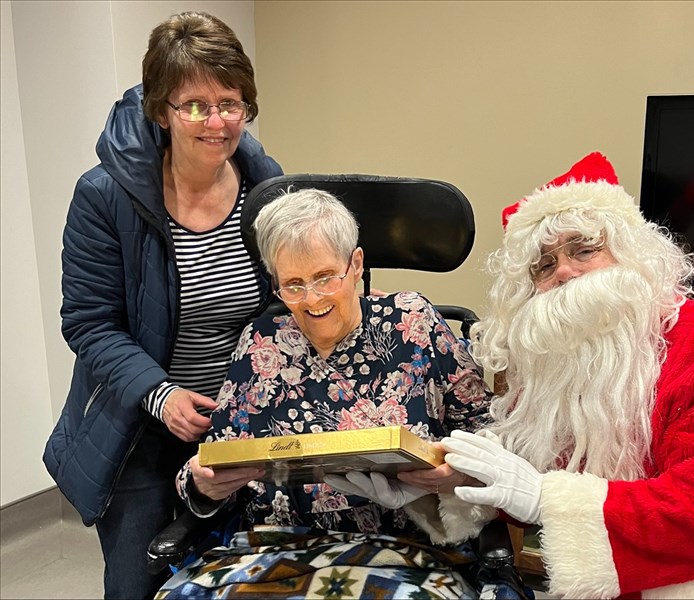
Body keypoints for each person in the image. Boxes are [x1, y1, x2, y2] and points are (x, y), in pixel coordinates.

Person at [403, 151, 694, 598]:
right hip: (638, 573)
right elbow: (539, 486)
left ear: (633, 253)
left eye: (584, 249)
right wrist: (458, 485)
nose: (565, 273)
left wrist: (540, 498)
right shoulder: (559, 362)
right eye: (544, 264)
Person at [42, 11, 283, 599]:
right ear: (161, 110)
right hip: (140, 429)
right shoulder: (103, 196)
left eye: (231, 102)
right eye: (194, 105)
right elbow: (90, 324)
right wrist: (162, 394)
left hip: (238, 422)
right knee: (139, 583)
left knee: (245, 580)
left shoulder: (268, 184)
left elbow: (277, 308)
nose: (217, 121)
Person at [156, 188, 500, 599]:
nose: (312, 299)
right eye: (294, 285)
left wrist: (454, 473)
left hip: (407, 555)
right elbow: (215, 459)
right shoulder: (260, 342)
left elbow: (487, 431)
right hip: (273, 551)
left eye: (324, 277)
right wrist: (202, 485)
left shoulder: (413, 322)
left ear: (355, 265)